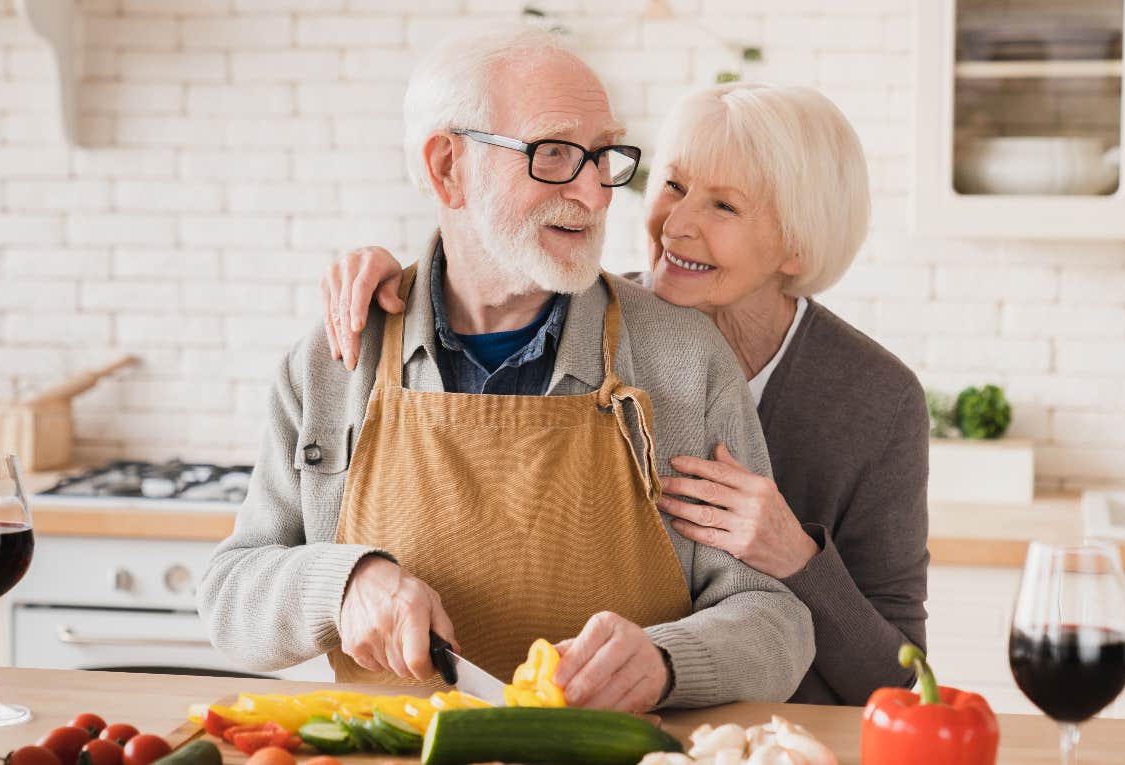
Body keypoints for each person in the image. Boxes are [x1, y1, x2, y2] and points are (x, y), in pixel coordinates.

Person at [198, 26, 813, 714]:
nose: (596, 193)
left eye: (603, 155)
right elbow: (229, 596)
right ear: (446, 169)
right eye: (554, 154)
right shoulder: (334, 360)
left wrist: (670, 660)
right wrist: (343, 584)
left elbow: (775, 619)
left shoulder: (685, 358)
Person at [321, 81, 930, 706]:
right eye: (673, 186)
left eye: (724, 207)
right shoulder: (586, 319)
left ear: (798, 244)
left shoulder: (879, 401)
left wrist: (797, 557)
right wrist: (396, 280)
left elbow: (897, 679)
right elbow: (482, 267)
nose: (677, 226)